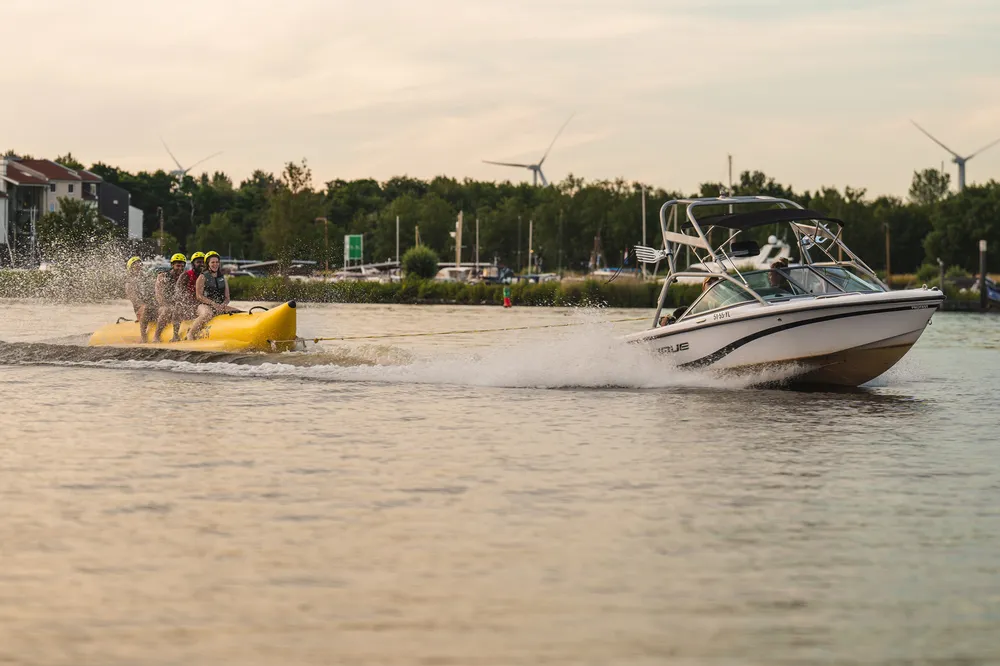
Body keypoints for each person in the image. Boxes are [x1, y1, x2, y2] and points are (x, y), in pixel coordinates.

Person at [188, 251, 240, 340]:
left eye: (217, 262)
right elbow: (199, 296)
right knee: (207, 314)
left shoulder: (223, 278)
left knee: (238, 312)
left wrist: (223, 305)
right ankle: (190, 333)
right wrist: (213, 304)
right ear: (208, 264)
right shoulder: (202, 277)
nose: (215, 264)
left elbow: (227, 298)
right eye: (212, 262)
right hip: (203, 306)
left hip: (219, 305)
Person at [153, 253, 188, 342]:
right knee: (167, 310)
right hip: (160, 306)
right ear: (172, 265)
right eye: (178, 265)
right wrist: (167, 305)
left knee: (178, 307)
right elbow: (158, 295)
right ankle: (156, 336)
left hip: (176, 307)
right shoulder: (163, 276)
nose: (180, 268)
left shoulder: (184, 278)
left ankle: (175, 336)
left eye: (182, 266)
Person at [124, 256, 156, 342]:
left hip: (151, 307)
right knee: (145, 307)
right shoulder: (129, 284)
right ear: (130, 268)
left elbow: (155, 293)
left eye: (139, 264)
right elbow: (135, 300)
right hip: (140, 310)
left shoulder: (147, 279)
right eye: (135, 264)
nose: (138, 265)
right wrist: (144, 305)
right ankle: (143, 336)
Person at [175, 251, 206, 320]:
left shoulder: (208, 276)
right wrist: (189, 306)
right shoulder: (185, 275)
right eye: (198, 262)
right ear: (193, 264)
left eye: (203, 262)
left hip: (201, 305)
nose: (201, 264)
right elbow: (178, 294)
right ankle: (176, 330)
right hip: (188, 306)